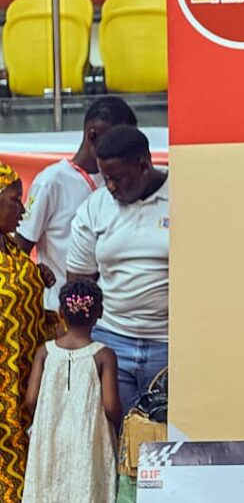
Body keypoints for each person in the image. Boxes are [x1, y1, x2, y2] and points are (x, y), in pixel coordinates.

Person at [66, 126, 169, 417]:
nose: (110, 186)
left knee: (164, 437)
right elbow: (79, 281)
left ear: (144, 166)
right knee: (111, 434)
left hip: (170, 346)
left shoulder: (182, 197)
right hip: (111, 342)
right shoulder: (95, 207)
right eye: (105, 178)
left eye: (118, 178)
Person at [15, 97, 138, 328]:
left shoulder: (119, 181)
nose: (122, 151)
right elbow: (19, 247)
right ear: (92, 136)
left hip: (111, 317)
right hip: (63, 318)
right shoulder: (51, 181)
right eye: (115, 140)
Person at [22, 279, 119, 503]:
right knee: (85, 487)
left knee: (48, 488)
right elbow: (111, 406)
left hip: (49, 435)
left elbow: (31, 399)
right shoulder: (104, 355)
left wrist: (44, 420)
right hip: (89, 438)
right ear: (100, 312)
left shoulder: (45, 352)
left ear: (60, 313)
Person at [0, 163, 52, 503]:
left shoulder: (15, 257)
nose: (22, 210)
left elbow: (32, 318)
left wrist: (36, 280)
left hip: (19, 393)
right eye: (15, 199)